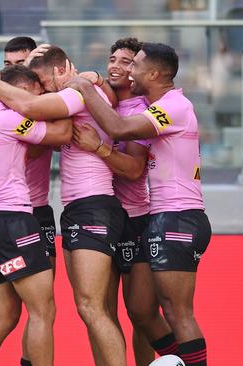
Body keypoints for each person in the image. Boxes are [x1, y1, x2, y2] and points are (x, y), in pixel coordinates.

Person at [65, 42, 211, 366]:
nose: (128, 70)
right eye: (116, 61)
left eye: (134, 64)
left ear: (154, 73)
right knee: (142, 311)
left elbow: (120, 135)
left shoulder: (175, 106)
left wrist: (83, 86)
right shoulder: (154, 105)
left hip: (178, 217)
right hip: (163, 216)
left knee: (177, 311)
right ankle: (175, 362)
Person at [0, 46, 127, 366]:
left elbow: (31, 104)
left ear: (60, 70)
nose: (40, 87)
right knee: (91, 307)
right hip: (79, 207)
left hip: (94, 205)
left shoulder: (75, 92)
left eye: (41, 79)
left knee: (92, 307)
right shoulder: (82, 88)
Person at [72, 37, 174, 366]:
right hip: (99, 215)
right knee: (98, 311)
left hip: (135, 218)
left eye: (126, 62)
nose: (115, 65)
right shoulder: (105, 103)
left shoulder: (141, 111)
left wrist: (99, 148)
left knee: (140, 313)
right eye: (112, 58)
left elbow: (133, 170)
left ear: (141, 72)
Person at [0, 65, 72, 366]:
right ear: (22, 90)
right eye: (38, 93)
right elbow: (62, 133)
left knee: (2, 316)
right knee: (43, 310)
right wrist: (65, 93)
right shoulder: (9, 118)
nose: (39, 100)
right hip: (14, 221)